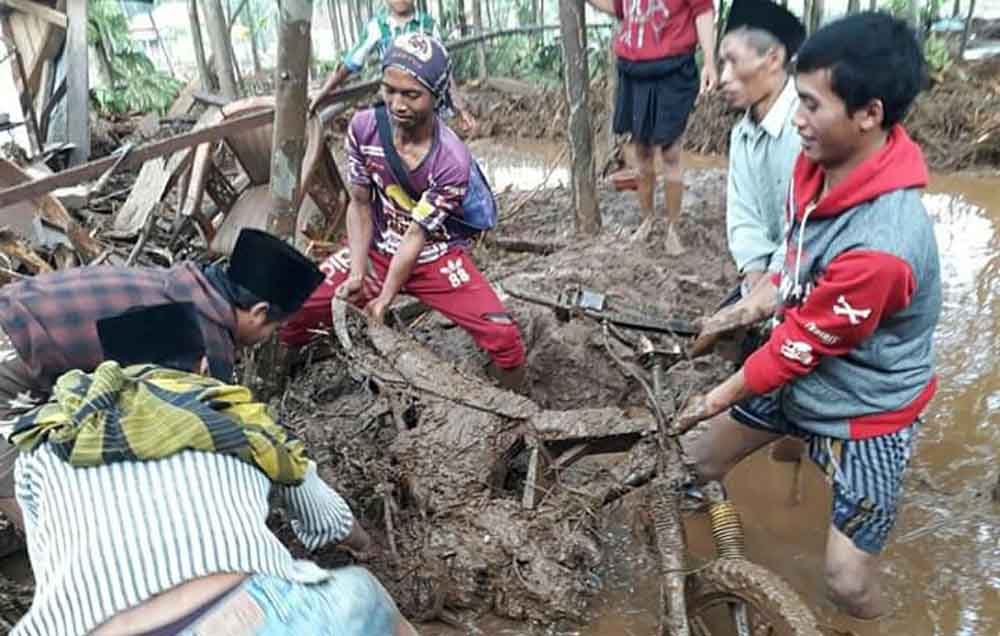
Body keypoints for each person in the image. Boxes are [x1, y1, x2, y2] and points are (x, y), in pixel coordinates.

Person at [677, 13, 940, 620]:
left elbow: (794, 347)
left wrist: (712, 397)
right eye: (797, 99)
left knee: (847, 584)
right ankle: (751, 511)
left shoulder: (883, 245)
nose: (796, 119)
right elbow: (795, 269)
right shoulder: (818, 166)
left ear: (869, 113)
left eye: (812, 105)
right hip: (807, 372)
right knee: (696, 460)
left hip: (869, 408)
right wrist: (745, 306)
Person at [8, 302, 417, 636]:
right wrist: (367, 548)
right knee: (362, 592)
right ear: (202, 367)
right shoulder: (235, 417)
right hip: (247, 618)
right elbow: (327, 522)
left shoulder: (47, 438)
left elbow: (49, 564)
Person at [0, 228, 324, 526]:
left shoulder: (186, 285)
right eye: (274, 328)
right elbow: (222, 436)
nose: (269, 337)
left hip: (14, 313)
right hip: (10, 354)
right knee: (18, 482)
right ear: (259, 312)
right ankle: (64, 572)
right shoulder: (202, 343)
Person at [282, 34, 527, 390]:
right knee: (295, 307)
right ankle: (290, 378)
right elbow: (360, 204)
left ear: (436, 96)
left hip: (433, 256)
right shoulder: (364, 129)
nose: (397, 104)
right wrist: (357, 269)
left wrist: (384, 298)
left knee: (503, 336)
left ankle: (519, 403)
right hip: (378, 247)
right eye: (389, 90)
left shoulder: (450, 160)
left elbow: (416, 234)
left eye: (412, 94)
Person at [586, 0, 718, 254]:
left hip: (673, 69)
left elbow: (702, 10)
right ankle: (647, 220)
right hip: (633, 70)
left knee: (670, 152)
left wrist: (710, 62)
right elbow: (619, 7)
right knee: (642, 152)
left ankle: (673, 228)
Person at [719, 0, 804, 296]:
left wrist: (768, 292)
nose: (723, 78)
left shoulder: (809, 127)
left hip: (810, 276)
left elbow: (807, 230)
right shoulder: (741, 135)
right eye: (722, 64)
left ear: (773, 58)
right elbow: (743, 217)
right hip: (769, 278)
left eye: (733, 61)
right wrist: (755, 278)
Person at [310, 0, 476, 131]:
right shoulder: (378, 28)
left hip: (427, 107)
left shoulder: (428, 26)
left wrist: (461, 109)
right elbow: (349, 63)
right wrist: (324, 93)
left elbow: (444, 72)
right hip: (395, 105)